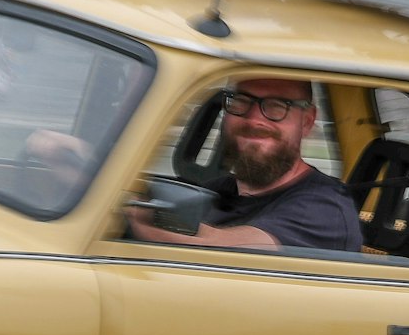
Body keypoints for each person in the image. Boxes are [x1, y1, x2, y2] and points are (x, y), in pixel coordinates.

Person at [128, 77, 363, 253]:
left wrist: (126, 211)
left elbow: (213, 248)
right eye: (241, 102)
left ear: (307, 121)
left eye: (276, 106)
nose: (254, 120)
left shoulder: (327, 210)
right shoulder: (221, 190)